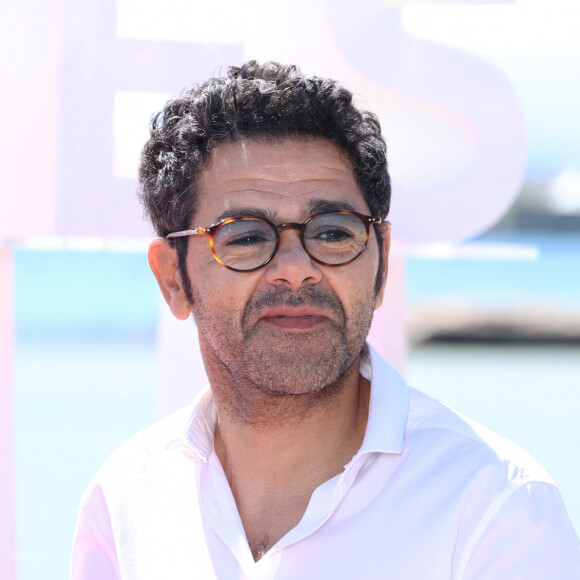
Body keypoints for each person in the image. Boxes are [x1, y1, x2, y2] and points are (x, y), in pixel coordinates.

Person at [71, 61, 580, 579]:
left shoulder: (495, 511)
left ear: (380, 264)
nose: (296, 271)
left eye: (333, 232)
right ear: (173, 279)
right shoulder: (126, 502)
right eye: (245, 236)